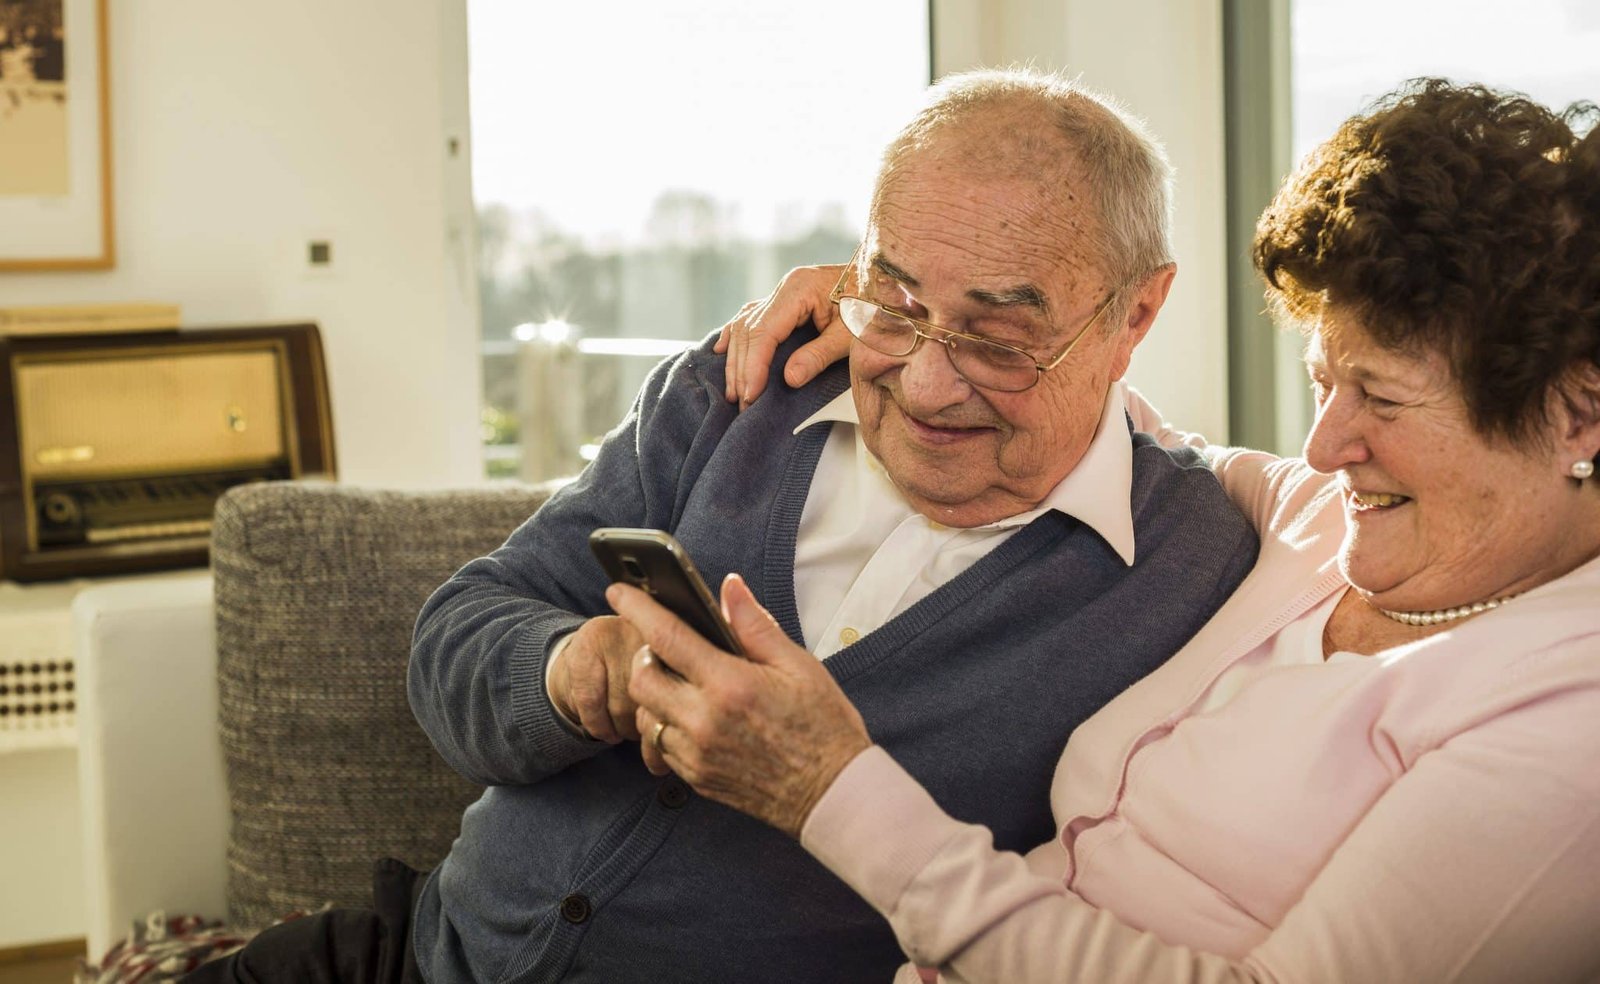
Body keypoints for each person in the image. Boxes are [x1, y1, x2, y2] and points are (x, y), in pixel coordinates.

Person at [184, 70, 1257, 983]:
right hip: (426, 952)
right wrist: (577, 672)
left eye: (998, 337)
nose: (927, 382)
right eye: (894, 301)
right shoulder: (742, 395)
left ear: (1137, 315)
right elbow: (452, 645)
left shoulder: (1195, 564)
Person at [614, 78, 1600, 982]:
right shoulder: (1313, 519)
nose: (1326, 442)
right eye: (1322, 383)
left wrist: (830, 789)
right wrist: (904, 310)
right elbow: (1112, 427)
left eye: (1379, 399)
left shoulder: (1570, 725)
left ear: (1578, 415)